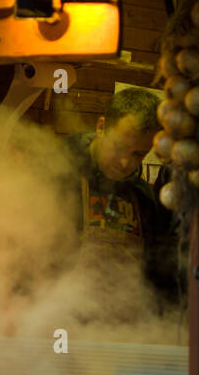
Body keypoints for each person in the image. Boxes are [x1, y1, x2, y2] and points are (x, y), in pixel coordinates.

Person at [61, 87, 183, 306]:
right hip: (56, 320)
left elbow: (154, 272)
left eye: (138, 154)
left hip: (120, 328)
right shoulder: (58, 175)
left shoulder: (143, 197)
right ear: (101, 127)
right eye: (119, 147)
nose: (125, 162)